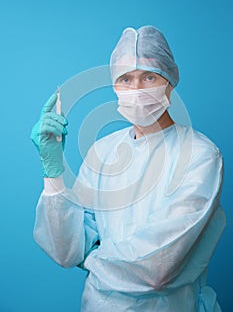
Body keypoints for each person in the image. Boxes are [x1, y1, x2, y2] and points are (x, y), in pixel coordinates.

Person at [30, 26, 226, 311]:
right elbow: (66, 250)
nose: (136, 89)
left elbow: (157, 268)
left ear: (171, 80)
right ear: (115, 88)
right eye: (125, 79)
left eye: (148, 76)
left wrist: (92, 259)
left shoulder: (200, 156)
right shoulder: (103, 152)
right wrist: (53, 173)